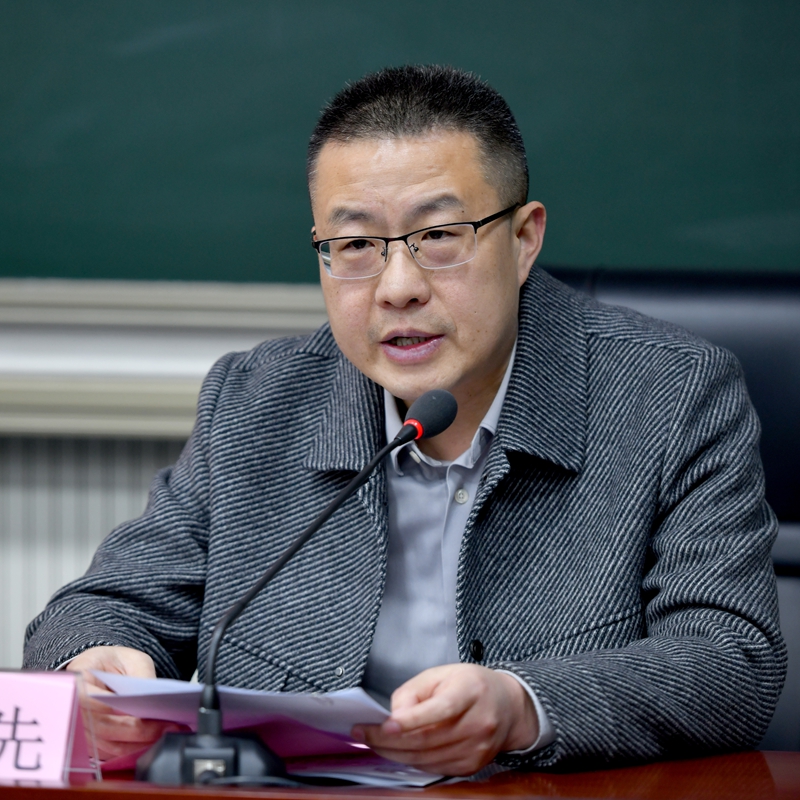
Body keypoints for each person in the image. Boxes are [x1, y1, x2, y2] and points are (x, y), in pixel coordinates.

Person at [24, 65, 785, 775]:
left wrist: (523, 706)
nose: (397, 287)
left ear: (524, 239)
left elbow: (730, 661)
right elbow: (104, 605)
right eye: (355, 244)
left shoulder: (671, 395)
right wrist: (97, 661)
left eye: (439, 237)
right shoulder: (256, 400)